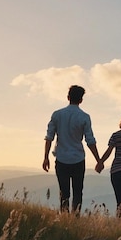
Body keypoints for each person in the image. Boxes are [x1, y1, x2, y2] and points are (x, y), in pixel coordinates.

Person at [43, 85, 100, 216]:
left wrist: (46, 157)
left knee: (64, 192)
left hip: (61, 158)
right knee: (78, 191)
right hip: (78, 158)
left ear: (68, 97)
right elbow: (90, 140)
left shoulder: (57, 115)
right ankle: (76, 218)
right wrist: (98, 160)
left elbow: (49, 137)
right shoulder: (85, 117)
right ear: (81, 100)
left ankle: (64, 217)